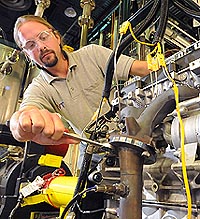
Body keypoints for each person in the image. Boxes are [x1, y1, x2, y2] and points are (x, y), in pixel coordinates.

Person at [10, 15, 150, 164]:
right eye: (31, 45)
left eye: (43, 37)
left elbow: (142, 69)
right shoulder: (39, 87)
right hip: (94, 153)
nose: (41, 47)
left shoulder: (92, 54)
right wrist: (20, 125)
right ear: (27, 55)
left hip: (131, 137)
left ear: (57, 37)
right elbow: (25, 112)